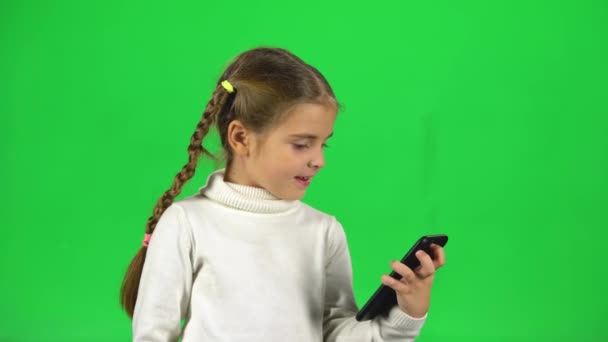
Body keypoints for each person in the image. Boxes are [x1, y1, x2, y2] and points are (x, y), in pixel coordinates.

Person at [120, 47, 446, 342]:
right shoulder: (187, 223)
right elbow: (152, 335)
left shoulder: (324, 232)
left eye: (324, 143)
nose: (319, 160)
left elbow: (338, 333)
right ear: (240, 137)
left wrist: (406, 314)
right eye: (302, 144)